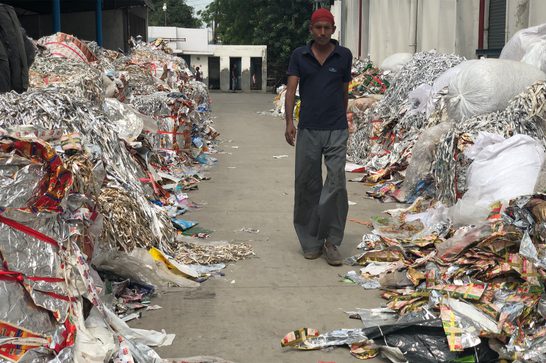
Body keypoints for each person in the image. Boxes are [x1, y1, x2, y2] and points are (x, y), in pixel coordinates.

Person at [284, 8, 352, 266]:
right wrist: (290, 121)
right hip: (309, 129)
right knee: (307, 185)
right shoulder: (299, 55)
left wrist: (343, 119)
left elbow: (344, 91)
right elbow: (291, 90)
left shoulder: (344, 55)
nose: (322, 32)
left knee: (336, 183)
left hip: (336, 129)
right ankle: (311, 241)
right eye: (318, 28)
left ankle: (332, 241)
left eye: (327, 27)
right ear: (311, 30)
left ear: (333, 30)